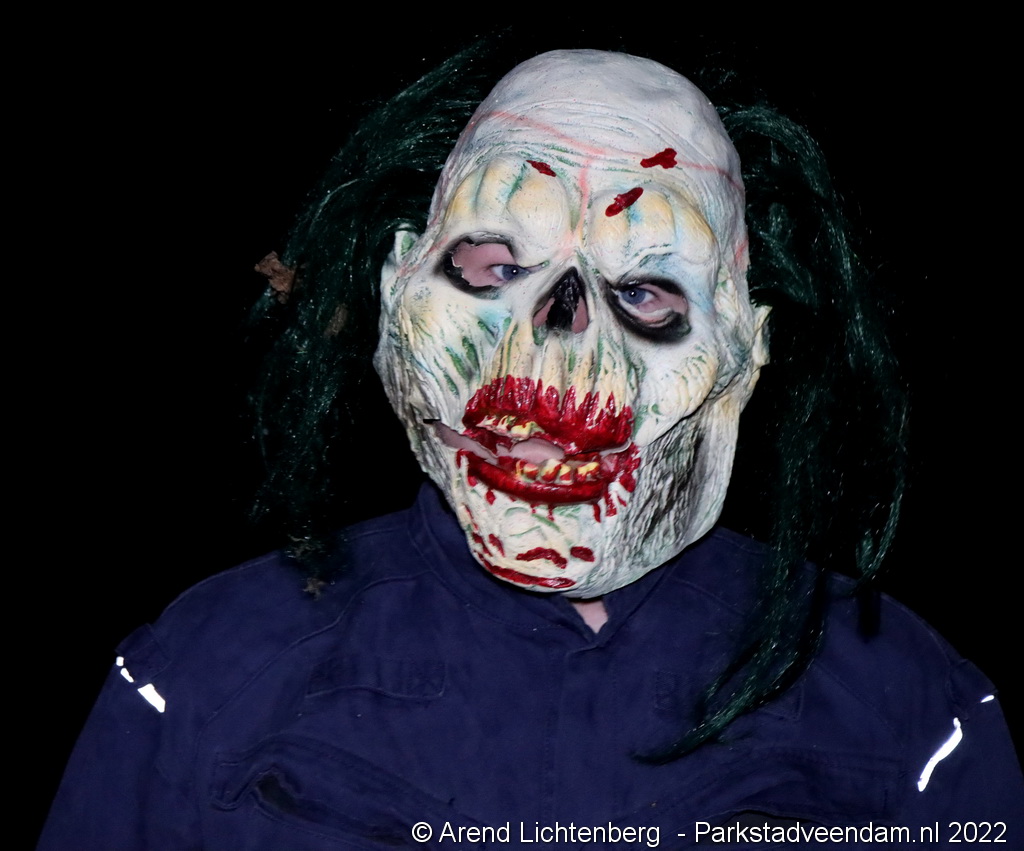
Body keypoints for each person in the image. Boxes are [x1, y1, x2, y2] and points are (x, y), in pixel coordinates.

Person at [40, 45, 1022, 849]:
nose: (557, 331)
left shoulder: (909, 708)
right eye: (491, 263)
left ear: (744, 349)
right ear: (396, 292)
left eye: (645, 290)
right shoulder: (205, 669)